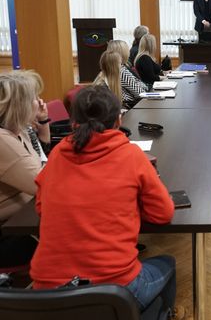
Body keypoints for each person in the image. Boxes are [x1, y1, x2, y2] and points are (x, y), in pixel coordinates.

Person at [30, 85, 181, 317]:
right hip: (114, 289)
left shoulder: (58, 153)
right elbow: (163, 213)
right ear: (118, 120)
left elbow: (41, 208)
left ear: (73, 122)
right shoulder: (131, 155)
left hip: (49, 293)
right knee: (167, 263)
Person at [0, 70, 48, 269]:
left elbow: (44, 162)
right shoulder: (3, 140)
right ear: (20, 106)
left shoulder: (19, 130)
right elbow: (44, 184)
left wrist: (42, 123)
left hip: (22, 220)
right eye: (34, 98)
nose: (40, 102)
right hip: (9, 233)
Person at [107, 40, 148, 109]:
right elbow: (140, 93)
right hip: (131, 106)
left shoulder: (111, 68)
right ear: (123, 53)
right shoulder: (121, 71)